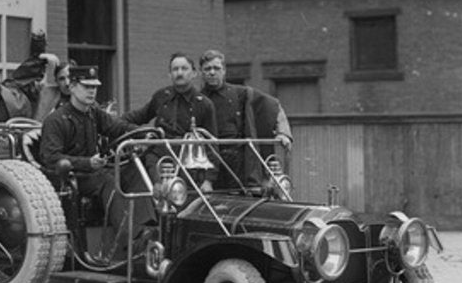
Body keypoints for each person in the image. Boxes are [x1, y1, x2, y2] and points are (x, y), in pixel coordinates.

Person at [39, 66, 140, 252]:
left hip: (91, 173)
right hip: (68, 178)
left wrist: (142, 134)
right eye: (86, 86)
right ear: (72, 87)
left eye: (94, 87)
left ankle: (143, 231)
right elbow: (51, 158)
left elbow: (118, 127)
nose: (92, 91)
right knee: (108, 181)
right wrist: (87, 163)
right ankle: (128, 243)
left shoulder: (93, 113)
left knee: (133, 172)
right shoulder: (56, 120)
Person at [199, 49, 292, 189]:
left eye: (216, 68)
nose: (212, 72)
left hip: (239, 163)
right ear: (201, 72)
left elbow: (273, 106)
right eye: (207, 69)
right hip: (208, 164)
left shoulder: (241, 93)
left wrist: (283, 133)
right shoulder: (196, 99)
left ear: (224, 71)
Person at [123, 52, 219, 189]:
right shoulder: (161, 97)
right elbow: (138, 117)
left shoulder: (204, 104)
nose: (179, 73)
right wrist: (112, 122)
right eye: (175, 69)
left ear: (194, 73)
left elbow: (212, 146)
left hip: (187, 165)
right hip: (157, 162)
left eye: (184, 69)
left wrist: (209, 180)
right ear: (170, 74)